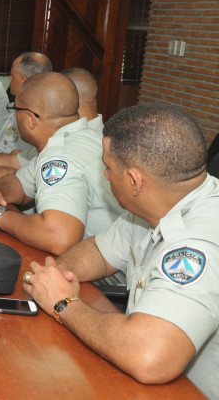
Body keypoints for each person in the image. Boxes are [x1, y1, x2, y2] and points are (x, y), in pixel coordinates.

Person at [22, 103, 218, 398]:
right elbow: (98, 252)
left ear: (134, 181)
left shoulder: (197, 243)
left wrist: (64, 304)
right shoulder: (158, 205)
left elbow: (149, 356)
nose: (105, 175)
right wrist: (60, 275)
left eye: (108, 167)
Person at [0, 72, 122, 255]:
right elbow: (21, 183)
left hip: (104, 271)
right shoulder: (81, 138)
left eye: (16, 109)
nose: (15, 116)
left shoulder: (61, 157)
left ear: (31, 120)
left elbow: (59, 237)